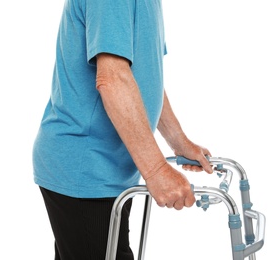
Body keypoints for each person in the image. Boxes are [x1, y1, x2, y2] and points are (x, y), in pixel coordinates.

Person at [32, 0, 213, 259]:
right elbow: (113, 79)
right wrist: (156, 169)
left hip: (109, 167)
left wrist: (178, 141)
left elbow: (141, 77)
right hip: (84, 166)